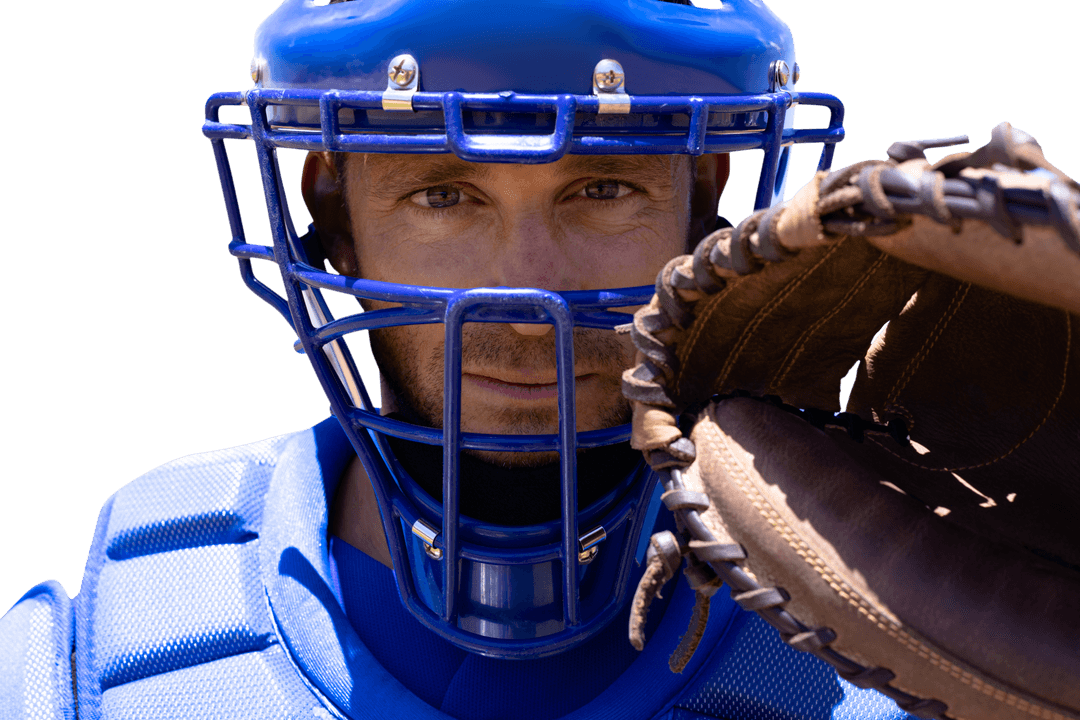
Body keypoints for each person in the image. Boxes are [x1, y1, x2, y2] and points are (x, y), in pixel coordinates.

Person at [1, 0, 921, 717]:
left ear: (705, 205)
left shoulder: (903, 639)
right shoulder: (98, 668)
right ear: (332, 216)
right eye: (443, 196)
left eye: (603, 188)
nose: (527, 297)